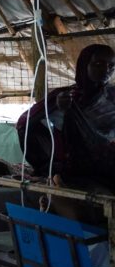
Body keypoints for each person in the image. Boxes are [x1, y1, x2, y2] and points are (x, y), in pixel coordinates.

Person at [19, 43, 115, 191]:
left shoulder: (112, 97)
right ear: (84, 65)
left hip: (107, 167)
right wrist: (60, 109)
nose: (106, 70)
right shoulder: (65, 97)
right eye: (98, 64)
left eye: (111, 66)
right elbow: (26, 123)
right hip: (72, 167)